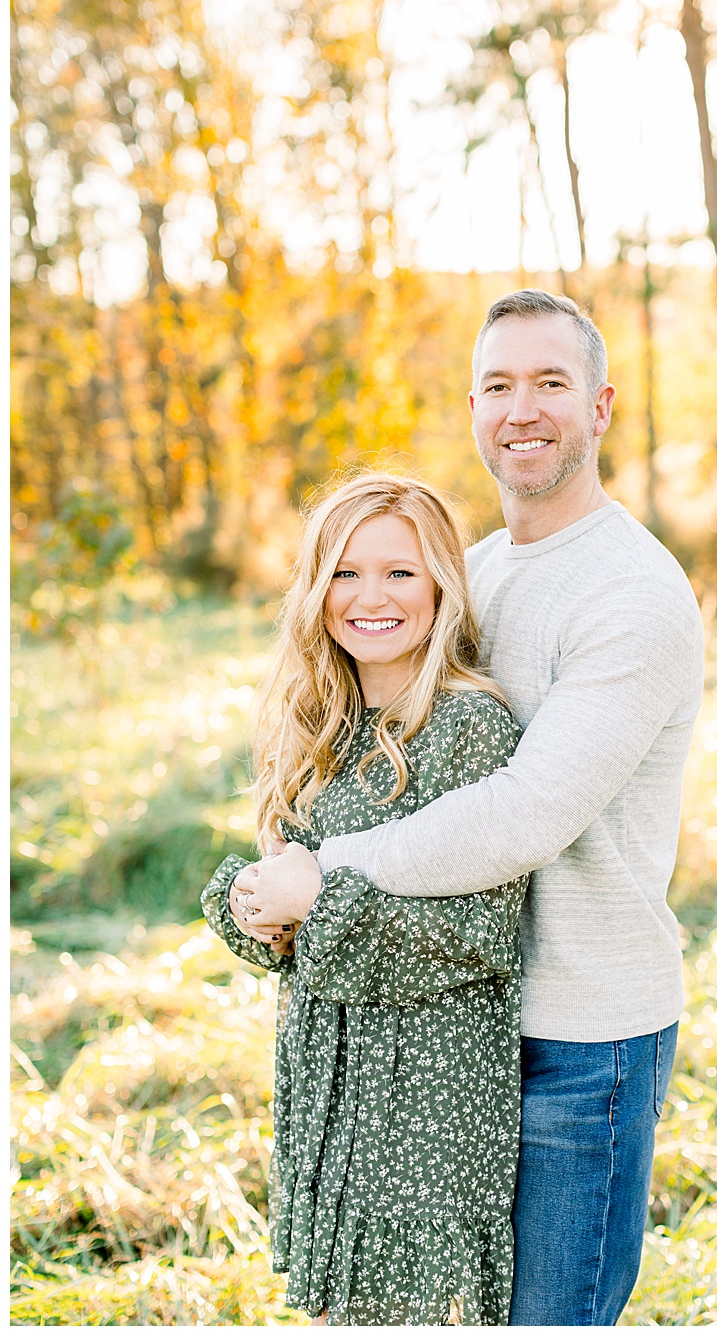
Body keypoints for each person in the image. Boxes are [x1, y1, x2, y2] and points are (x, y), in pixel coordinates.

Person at [231, 289, 707, 1325]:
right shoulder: (470, 575)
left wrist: (325, 875)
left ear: (601, 406)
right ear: (475, 408)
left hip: (582, 1037)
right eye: (498, 385)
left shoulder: (633, 593)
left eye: (550, 382)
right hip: (448, 1030)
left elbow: (526, 813)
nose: (522, 409)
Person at [202, 473, 528, 1325]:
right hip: (326, 1077)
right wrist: (254, 906)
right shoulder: (317, 723)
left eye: (399, 573)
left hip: (426, 1092)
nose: (370, 597)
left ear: (441, 587)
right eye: (346, 573)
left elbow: (481, 934)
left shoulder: (471, 727)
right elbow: (284, 888)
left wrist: (316, 905)